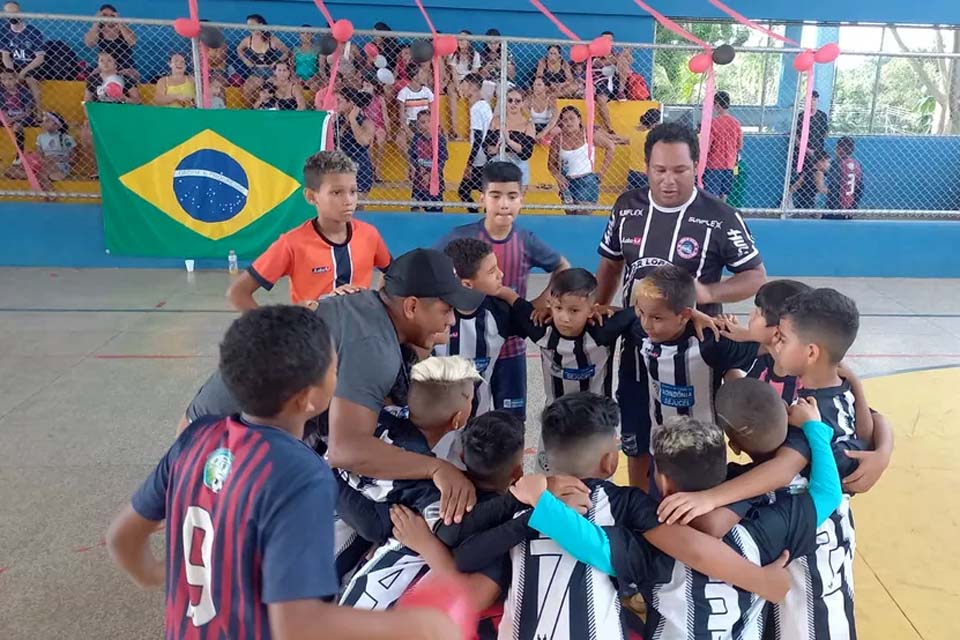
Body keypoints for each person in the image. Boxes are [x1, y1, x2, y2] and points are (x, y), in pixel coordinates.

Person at [106, 306, 461, 640]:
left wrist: (159, 575)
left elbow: (121, 538)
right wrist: (411, 626)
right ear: (309, 398)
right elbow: (299, 624)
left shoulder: (196, 438)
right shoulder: (299, 473)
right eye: (336, 370)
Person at [452, 394, 794, 640]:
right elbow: (692, 547)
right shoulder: (625, 503)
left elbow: (462, 555)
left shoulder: (517, 499)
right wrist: (760, 581)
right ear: (610, 463)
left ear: (544, 458)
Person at [184, 248, 486, 526]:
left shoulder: (368, 308)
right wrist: (435, 468)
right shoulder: (373, 346)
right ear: (410, 306)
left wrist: (427, 337)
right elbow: (347, 450)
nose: (452, 320)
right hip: (221, 447)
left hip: (209, 425)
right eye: (446, 310)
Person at [435, 161, 571, 423]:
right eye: (496, 196)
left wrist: (537, 305)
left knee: (511, 421)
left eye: (512, 196)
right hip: (467, 350)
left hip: (511, 348)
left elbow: (562, 266)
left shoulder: (525, 240)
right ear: (483, 198)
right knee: (464, 418)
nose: (504, 204)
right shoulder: (460, 238)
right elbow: (430, 270)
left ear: (522, 199)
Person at [624, 264, 759, 488]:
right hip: (661, 448)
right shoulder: (640, 329)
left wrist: (745, 333)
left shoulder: (712, 342)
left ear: (683, 315)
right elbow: (611, 316)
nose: (647, 323)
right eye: (642, 313)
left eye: (657, 318)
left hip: (705, 453)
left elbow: (770, 345)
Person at [227, 150, 391, 310]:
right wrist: (276, 330)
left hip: (361, 335)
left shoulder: (369, 235)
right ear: (311, 197)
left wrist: (377, 308)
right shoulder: (292, 244)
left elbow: (393, 274)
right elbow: (238, 293)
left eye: (353, 191)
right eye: (336, 192)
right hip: (314, 334)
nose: (348, 200)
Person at [549, 105, 615, 215]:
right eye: (565, 120)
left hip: (586, 181)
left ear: (579, 119)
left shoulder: (588, 134)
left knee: (583, 215)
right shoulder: (558, 139)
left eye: (572, 118)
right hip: (567, 183)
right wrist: (558, 176)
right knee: (570, 216)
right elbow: (551, 164)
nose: (568, 122)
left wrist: (602, 172)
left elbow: (610, 147)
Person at [484, 87, 535, 191]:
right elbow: (487, 147)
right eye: (510, 100)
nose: (513, 104)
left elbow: (527, 153)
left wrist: (508, 141)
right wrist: (496, 149)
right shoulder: (496, 121)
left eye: (517, 101)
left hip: (518, 164)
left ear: (523, 103)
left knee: (514, 202)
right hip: (498, 162)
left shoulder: (528, 125)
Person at [456, 73, 492, 212]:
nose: (462, 88)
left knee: (464, 191)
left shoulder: (476, 108)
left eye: (464, 84)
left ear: (472, 86)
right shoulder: (484, 105)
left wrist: (469, 163)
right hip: (485, 156)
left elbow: (477, 138)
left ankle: (478, 217)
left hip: (480, 158)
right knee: (482, 191)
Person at [0, 1, 43, 117]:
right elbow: (6, 56)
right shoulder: (4, 32)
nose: (13, 16)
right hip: (14, 65)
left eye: (15, 12)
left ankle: (39, 113)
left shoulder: (33, 32)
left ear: (21, 13)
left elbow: (39, 58)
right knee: (5, 77)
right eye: (9, 13)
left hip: (31, 64)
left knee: (31, 81)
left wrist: (23, 72)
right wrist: (11, 71)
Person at [237, 14, 289, 108]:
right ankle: (252, 111)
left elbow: (286, 52)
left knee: (274, 90)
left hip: (272, 72)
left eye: (252, 25)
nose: (250, 28)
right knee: (246, 90)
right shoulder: (248, 40)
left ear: (260, 25)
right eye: (248, 26)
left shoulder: (272, 39)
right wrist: (245, 60)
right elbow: (239, 49)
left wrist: (276, 62)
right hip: (256, 71)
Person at [335, 88, 376, 202]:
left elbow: (363, 141)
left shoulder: (366, 122)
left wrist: (352, 119)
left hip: (359, 166)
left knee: (358, 205)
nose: (336, 104)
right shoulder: (336, 121)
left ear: (351, 102)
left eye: (340, 101)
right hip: (340, 165)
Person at [703, 91, 742, 201]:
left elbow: (708, 145)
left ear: (717, 105)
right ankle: (723, 215)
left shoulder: (713, 123)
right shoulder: (736, 123)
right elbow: (739, 145)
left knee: (712, 195)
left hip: (714, 164)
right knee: (724, 195)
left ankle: (712, 215)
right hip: (730, 164)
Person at [83, 4, 138, 81]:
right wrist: (96, 23)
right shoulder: (98, 30)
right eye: (104, 15)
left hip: (125, 65)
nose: (108, 18)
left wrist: (120, 22)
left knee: (129, 78)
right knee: (91, 79)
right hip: (105, 65)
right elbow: (89, 43)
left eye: (111, 15)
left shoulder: (123, 29)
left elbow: (133, 42)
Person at [409, 109, 447, 212]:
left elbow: (442, 160)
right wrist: (419, 169)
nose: (426, 125)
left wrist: (430, 174)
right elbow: (412, 156)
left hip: (434, 179)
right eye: (422, 122)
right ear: (418, 124)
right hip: (419, 178)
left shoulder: (440, 139)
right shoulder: (416, 138)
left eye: (429, 121)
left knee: (435, 209)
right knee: (415, 206)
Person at [446, 31, 481, 138]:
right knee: (451, 91)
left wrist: (467, 87)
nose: (460, 41)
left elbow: (474, 76)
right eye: (459, 39)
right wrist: (458, 88)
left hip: (469, 81)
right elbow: (454, 73)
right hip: (457, 81)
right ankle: (454, 130)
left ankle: (473, 130)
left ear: (469, 42)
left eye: (463, 39)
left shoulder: (475, 55)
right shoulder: (453, 53)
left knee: (474, 97)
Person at [395, 63, 434, 158]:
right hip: (410, 123)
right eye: (422, 73)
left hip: (425, 123)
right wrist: (408, 131)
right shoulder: (404, 93)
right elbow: (402, 116)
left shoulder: (427, 92)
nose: (425, 75)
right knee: (399, 140)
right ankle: (412, 161)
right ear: (415, 76)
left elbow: (433, 112)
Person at [826, 136, 863, 217]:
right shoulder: (857, 164)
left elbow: (834, 186)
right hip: (850, 205)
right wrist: (854, 206)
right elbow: (860, 188)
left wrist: (833, 207)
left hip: (836, 205)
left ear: (838, 148)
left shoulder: (836, 163)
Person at [0, 68, 34, 156]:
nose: (7, 82)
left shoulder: (24, 92)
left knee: (17, 126)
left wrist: (12, 119)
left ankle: (19, 154)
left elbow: (28, 112)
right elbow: (3, 109)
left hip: (24, 117)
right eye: (3, 79)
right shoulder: (2, 93)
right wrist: (5, 118)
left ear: (16, 79)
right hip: (9, 116)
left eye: (10, 79)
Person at [626, 107, 660, 191]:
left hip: (632, 171)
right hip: (644, 172)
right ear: (655, 123)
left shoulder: (634, 132)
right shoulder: (651, 136)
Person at [794, 89, 829, 168]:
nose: (812, 102)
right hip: (803, 152)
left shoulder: (822, 116)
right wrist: (807, 150)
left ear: (817, 101)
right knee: (803, 175)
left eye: (814, 100)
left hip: (818, 152)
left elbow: (825, 134)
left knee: (817, 173)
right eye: (810, 99)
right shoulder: (801, 116)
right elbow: (796, 138)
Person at [528, 76, 560, 144]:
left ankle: (542, 139)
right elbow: (525, 118)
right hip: (532, 126)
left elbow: (555, 117)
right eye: (534, 85)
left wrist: (543, 132)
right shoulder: (529, 99)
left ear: (546, 87)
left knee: (556, 130)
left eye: (539, 85)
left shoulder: (551, 99)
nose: (535, 87)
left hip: (547, 126)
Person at [293, 26, 324, 91]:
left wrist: (312, 79)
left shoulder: (317, 49)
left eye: (308, 33)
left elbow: (321, 67)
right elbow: (292, 67)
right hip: (299, 78)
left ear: (312, 35)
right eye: (303, 33)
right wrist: (298, 79)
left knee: (314, 87)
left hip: (314, 78)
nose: (305, 35)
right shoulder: (295, 50)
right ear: (299, 35)